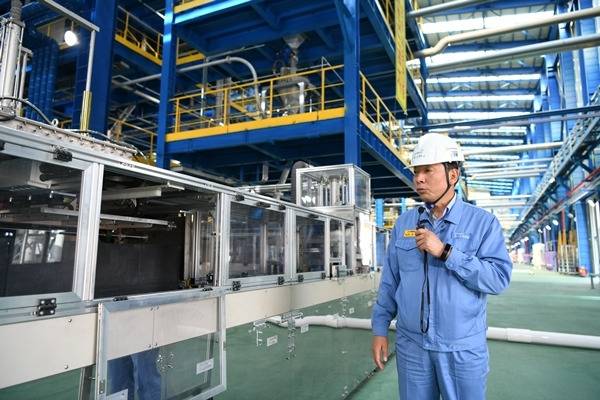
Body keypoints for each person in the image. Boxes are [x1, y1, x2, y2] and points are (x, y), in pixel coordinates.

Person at [371, 133, 512, 400]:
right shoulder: (404, 224)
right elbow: (390, 282)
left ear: (453, 175)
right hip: (412, 347)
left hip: (461, 349)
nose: (419, 179)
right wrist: (380, 328)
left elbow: (498, 279)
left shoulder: (483, 223)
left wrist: (446, 252)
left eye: (428, 170)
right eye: (416, 171)